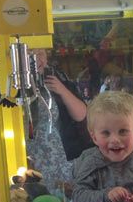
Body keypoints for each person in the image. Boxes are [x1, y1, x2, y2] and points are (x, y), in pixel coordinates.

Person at [27, 48, 91, 194]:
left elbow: (82, 115)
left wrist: (61, 90)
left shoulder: (58, 77)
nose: (38, 59)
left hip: (64, 158)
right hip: (35, 161)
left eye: (41, 54)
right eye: (31, 54)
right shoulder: (18, 85)